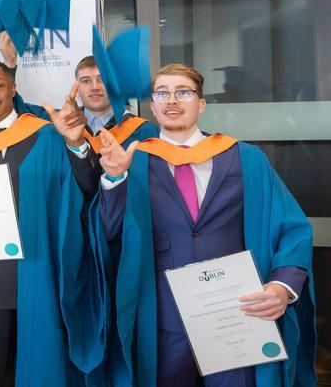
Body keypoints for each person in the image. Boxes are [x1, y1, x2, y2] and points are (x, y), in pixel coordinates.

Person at [96, 63, 316, 386]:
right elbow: (111, 232)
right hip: (162, 320)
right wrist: (115, 178)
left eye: (183, 92)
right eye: (162, 93)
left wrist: (282, 287)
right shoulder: (135, 162)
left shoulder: (245, 158)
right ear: (153, 107)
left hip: (237, 316)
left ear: (200, 104)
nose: (172, 100)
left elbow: (291, 227)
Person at [0, 60, 106, 387]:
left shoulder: (48, 138)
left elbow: (85, 189)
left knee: (39, 366)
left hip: (38, 276)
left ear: (13, 88)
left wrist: (77, 146)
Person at [72, 55, 158, 152]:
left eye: (102, 79)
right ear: (77, 89)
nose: (94, 87)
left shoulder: (145, 131)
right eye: (86, 81)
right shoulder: (64, 131)